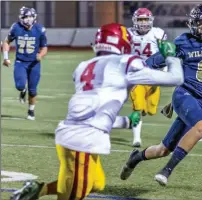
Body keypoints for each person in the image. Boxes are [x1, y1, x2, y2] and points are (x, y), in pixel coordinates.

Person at [11, 23, 184, 200]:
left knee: (96, 183)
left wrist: (124, 121)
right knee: (76, 192)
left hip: (74, 131)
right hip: (83, 139)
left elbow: (93, 110)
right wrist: (171, 57)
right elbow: (176, 78)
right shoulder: (127, 62)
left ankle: (37, 190)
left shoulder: (84, 66)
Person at [120, 4, 202, 186]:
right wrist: (136, 70)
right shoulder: (184, 41)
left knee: (163, 149)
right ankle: (166, 171)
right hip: (184, 94)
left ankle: (135, 158)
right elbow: (157, 60)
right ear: (193, 23)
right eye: (201, 22)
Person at [128, 7, 167, 147]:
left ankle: (142, 111)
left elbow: (165, 53)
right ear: (134, 21)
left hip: (153, 75)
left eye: (145, 20)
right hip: (135, 75)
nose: (143, 23)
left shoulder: (158, 33)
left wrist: (165, 69)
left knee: (150, 110)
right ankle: (136, 139)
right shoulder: (128, 34)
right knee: (137, 108)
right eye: (140, 20)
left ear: (151, 21)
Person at [2, 6, 48, 120]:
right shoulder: (16, 27)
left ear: (35, 17)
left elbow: (44, 47)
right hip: (20, 62)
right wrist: (6, 57)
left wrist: (40, 55)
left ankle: (31, 111)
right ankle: (23, 91)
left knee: (33, 90)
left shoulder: (39, 29)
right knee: (20, 85)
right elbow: (6, 41)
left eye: (30, 16)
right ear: (21, 17)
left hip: (34, 64)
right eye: (26, 17)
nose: (28, 19)